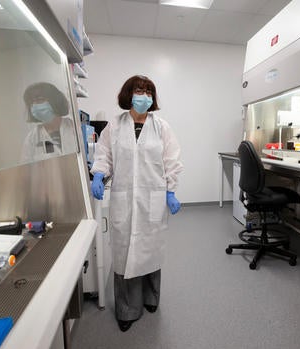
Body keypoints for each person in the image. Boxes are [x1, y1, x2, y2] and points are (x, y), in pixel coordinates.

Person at [90, 75, 183, 332]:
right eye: (139, 90)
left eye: (148, 91)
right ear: (128, 95)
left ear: (152, 97)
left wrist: (170, 191)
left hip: (153, 197)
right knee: (124, 253)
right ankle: (127, 310)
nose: (143, 95)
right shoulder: (115, 126)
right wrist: (98, 174)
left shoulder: (161, 126)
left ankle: (151, 298)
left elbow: (171, 159)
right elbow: (104, 154)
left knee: (150, 248)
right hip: (124, 199)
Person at [21, 82, 77, 162]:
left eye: (39, 100)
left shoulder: (74, 128)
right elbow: (25, 167)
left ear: (55, 101)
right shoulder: (32, 138)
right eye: (31, 102)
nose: (34, 106)